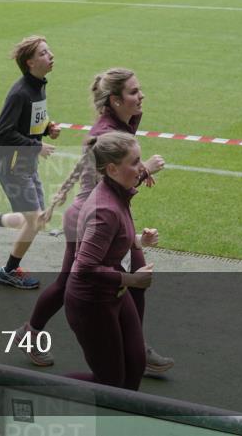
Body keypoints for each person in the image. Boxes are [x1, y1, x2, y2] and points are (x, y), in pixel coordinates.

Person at [17, 68, 171, 374]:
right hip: (93, 217)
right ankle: (30, 333)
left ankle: (133, 345)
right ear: (114, 100)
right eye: (133, 92)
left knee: (134, 279)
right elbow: (110, 182)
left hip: (106, 214)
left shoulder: (121, 122)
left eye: (139, 90)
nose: (141, 96)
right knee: (73, 282)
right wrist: (145, 170)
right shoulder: (105, 134)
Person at [63, 131, 155, 390]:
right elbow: (84, 268)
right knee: (110, 382)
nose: (142, 168)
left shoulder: (118, 192)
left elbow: (112, 240)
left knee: (135, 364)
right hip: (91, 302)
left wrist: (138, 240)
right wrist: (133, 279)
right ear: (112, 168)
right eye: (135, 162)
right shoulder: (106, 209)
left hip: (114, 292)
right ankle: (26, 387)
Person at [0, 36, 60, 289]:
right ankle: (9, 270)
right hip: (13, 167)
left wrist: (46, 127)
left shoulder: (38, 85)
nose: (50, 55)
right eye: (43, 53)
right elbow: (3, 132)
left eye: (48, 51)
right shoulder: (20, 92)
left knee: (35, 220)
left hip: (26, 164)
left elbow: (29, 121)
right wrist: (37, 146)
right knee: (35, 220)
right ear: (30, 62)